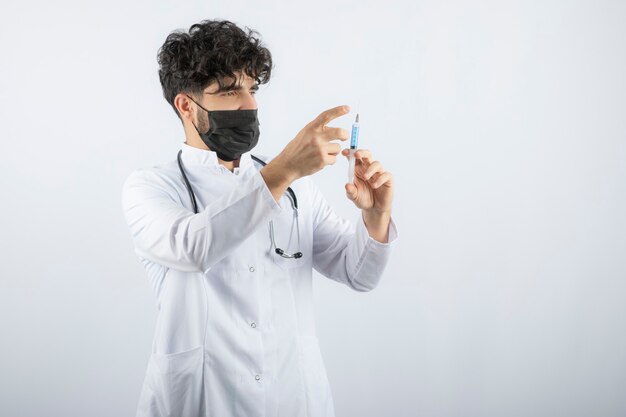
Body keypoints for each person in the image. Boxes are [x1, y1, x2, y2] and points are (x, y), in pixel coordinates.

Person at [121, 19, 398, 417]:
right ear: (186, 104)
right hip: (203, 401)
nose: (249, 105)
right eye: (230, 91)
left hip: (293, 396)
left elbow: (359, 274)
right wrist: (283, 171)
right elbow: (195, 247)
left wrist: (376, 216)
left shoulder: (296, 188)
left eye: (252, 89)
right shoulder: (150, 188)